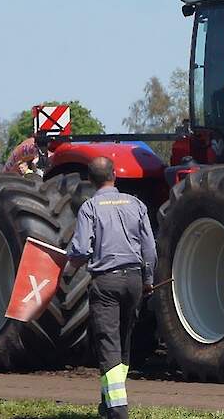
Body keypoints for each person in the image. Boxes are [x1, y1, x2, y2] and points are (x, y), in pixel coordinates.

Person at [68, 157, 156, 419]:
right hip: (133, 281)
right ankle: (108, 404)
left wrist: (65, 273)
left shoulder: (90, 208)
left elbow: (81, 250)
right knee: (123, 341)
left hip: (105, 282)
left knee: (108, 344)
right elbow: (149, 248)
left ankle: (118, 411)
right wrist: (148, 280)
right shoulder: (136, 204)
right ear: (115, 175)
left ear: (90, 180)